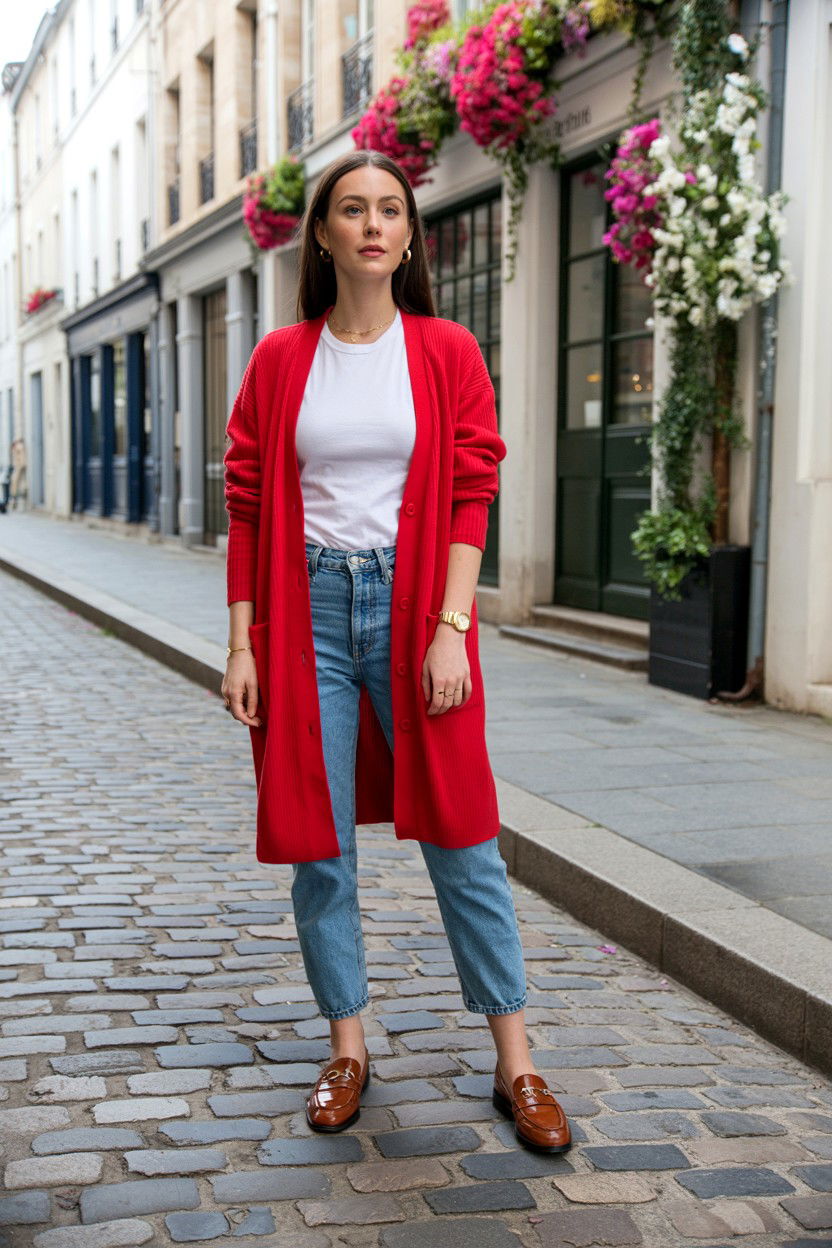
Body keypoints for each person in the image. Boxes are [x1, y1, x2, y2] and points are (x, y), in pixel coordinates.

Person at [222, 149, 571, 1154]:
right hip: (306, 618)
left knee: (464, 838)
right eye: (351, 209)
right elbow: (247, 503)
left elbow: (471, 488)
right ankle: (348, 1047)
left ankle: (516, 1062)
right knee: (318, 845)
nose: (372, 224)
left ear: (410, 236)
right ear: (323, 235)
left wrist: (453, 628)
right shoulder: (279, 360)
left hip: (417, 609)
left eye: (389, 209)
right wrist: (242, 643)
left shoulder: (446, 349)